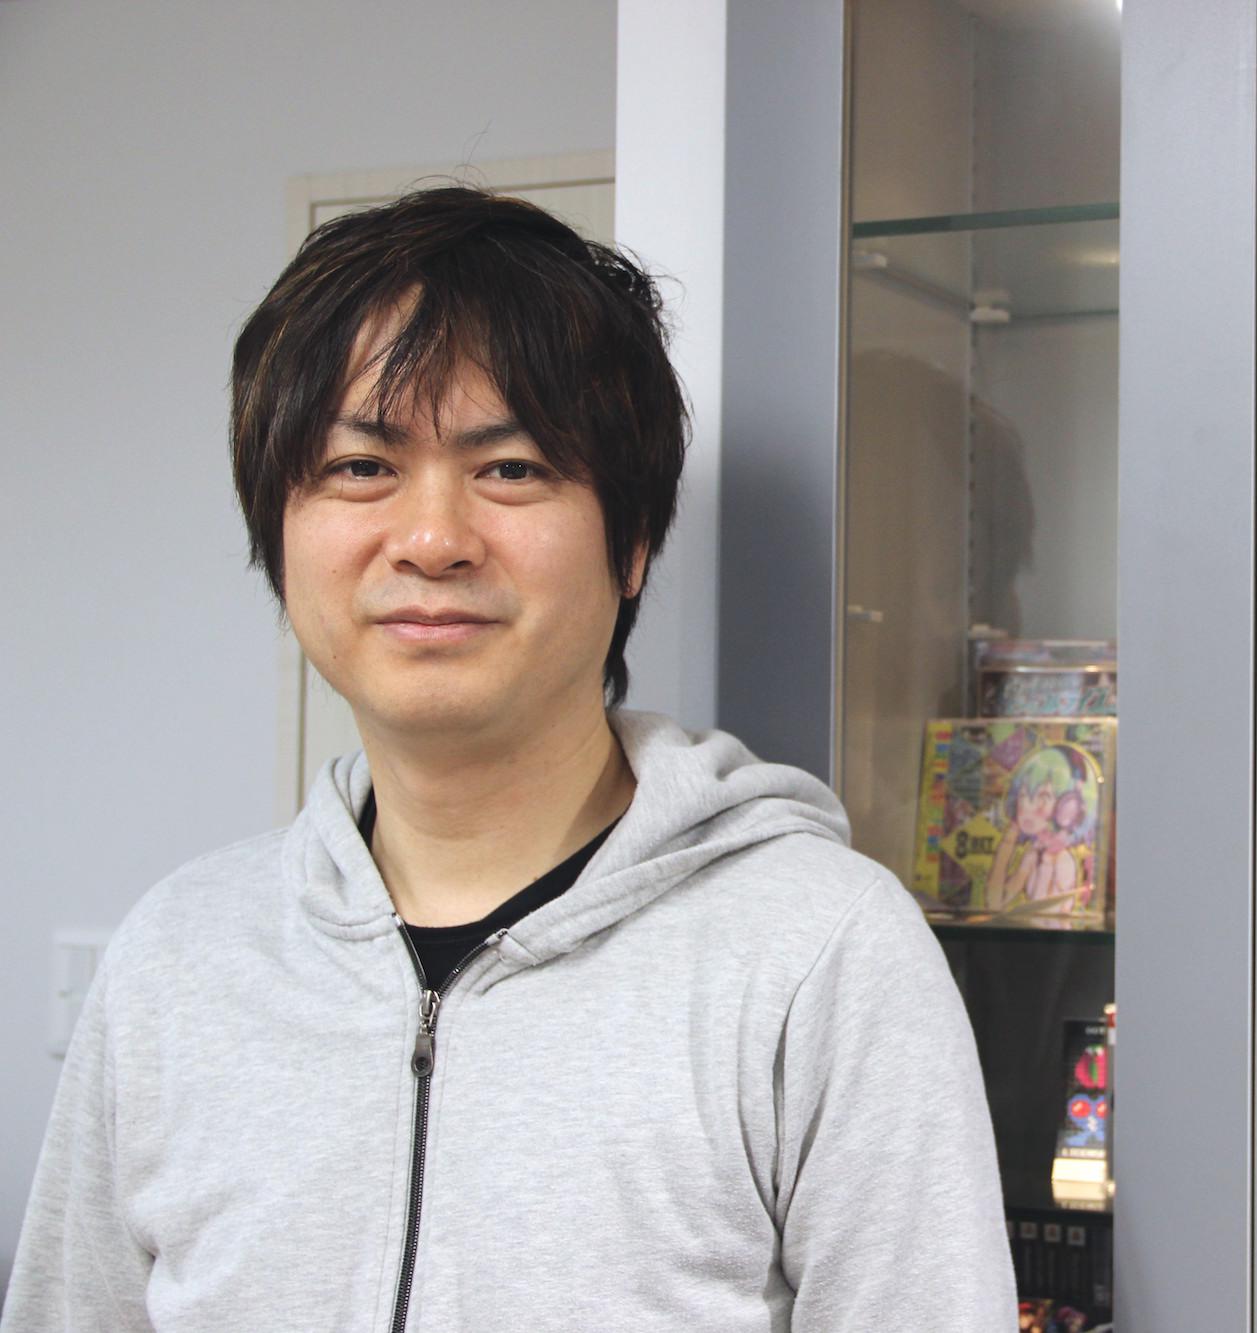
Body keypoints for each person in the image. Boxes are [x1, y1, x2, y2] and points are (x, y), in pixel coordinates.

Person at [1, 187, 1014, 1331]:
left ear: (632, 542)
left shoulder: (818, 954)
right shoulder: (177, 959)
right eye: (359, 466)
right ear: (276, 531)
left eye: (513, 468)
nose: (432, 540)